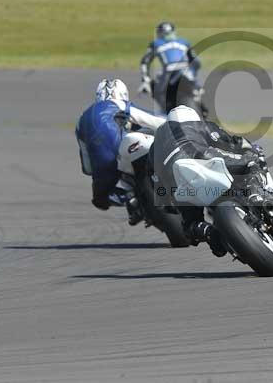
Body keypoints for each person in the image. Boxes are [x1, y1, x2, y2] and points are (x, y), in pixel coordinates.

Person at [149, 105, 262, 257]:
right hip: (201, 159)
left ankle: (208, 232)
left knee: (189, 225)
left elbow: (155, 180)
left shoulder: (155, 146)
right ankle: (256, 196)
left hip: (177, 184)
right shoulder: (199, 126)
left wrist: (169, 201)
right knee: (251, 162)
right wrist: (250, 150)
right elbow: (229, 143)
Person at [75, 79, 165, 225]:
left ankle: (130, 198)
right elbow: (153, 120)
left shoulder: (81, 122)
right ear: (123, 94)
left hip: (103, 168)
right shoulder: (119, 104)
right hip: (126, 149)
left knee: (100, 200)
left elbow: (87, 168)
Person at [138, 22, 202, 110]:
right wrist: (193, 77)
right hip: (186, 73)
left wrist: (145, 80)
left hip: (168, 74)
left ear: (159, 33)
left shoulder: (156, 43)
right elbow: (197, 62)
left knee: (157, 90)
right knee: (196, 89)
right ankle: (199, 100)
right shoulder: (184, 42)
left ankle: (166, 112)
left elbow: (145, 62)